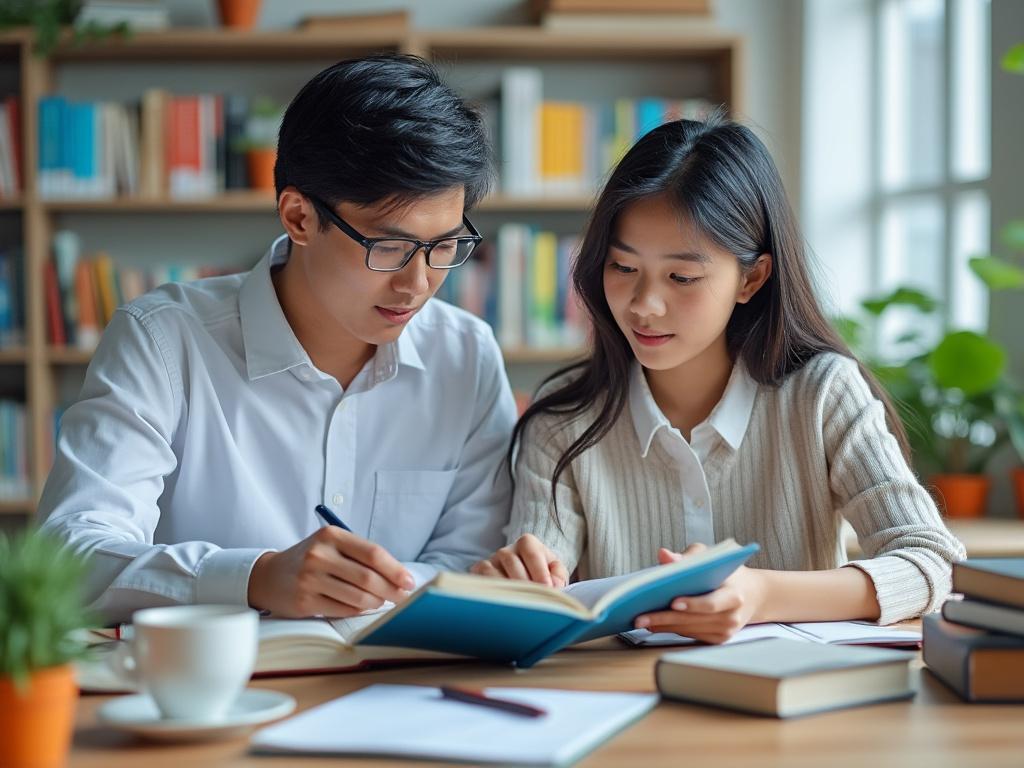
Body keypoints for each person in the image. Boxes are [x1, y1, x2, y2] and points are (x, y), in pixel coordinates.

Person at [39, 54, 517, 624]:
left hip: (399, 689)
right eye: (388, 247)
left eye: (444, 247)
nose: (418, 284)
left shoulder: (465, 354)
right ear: (298, 217)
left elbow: (472, 555)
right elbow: (68, 556)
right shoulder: (164, 342)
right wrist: (255, 577)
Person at [471, 113, 965, 643]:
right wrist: (518, 581)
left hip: (790, 705)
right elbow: (541, 577)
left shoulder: (822, 393)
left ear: (751, 278)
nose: (644, 305)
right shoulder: (564, 417)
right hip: (621, 705)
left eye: (681, 277)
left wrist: (764, 596)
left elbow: (932, 561)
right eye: (623, 268)